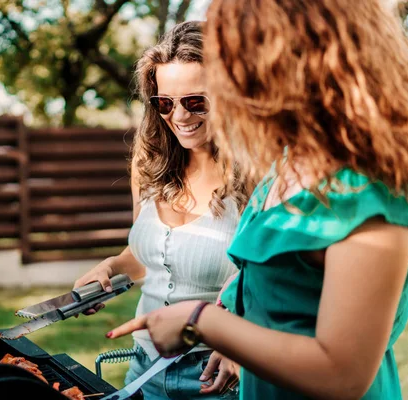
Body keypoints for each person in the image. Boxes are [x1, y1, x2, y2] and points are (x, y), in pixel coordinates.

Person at [106, 1, 408, 399]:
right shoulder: (287, 163)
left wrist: (202, 322)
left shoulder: (371, 186)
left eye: (239, 56)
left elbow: (344, 375)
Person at [73, 20, 253, 399]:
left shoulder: (257, 176)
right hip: (143, 368)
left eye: (195, 101)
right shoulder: (151, 164)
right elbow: (142, 257)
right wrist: (111, 268)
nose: (180, 117)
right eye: (165, 103)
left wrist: (240, 341)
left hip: (219, 374)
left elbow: (269, 279)